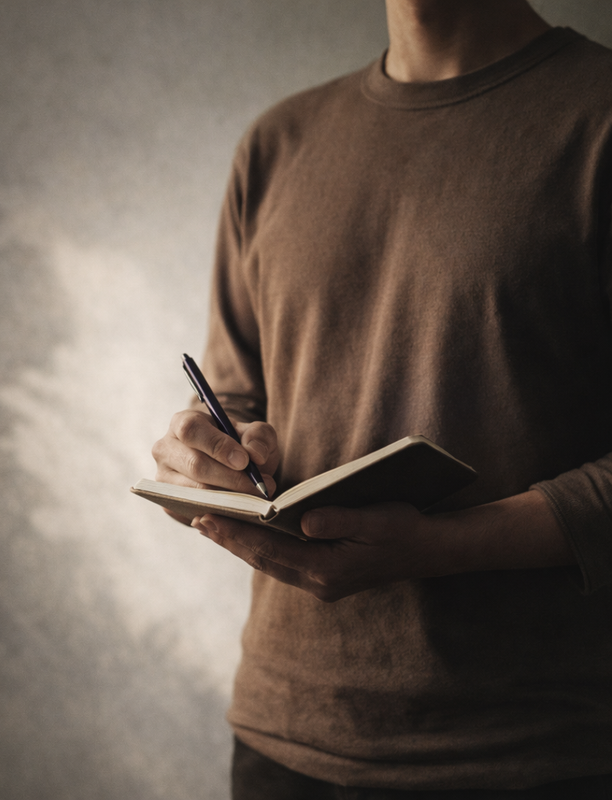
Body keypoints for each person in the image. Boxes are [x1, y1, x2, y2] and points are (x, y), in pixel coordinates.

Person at [151, 1, 612, 796]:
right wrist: (204, 460)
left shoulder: (596, 116)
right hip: (282, 744)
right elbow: (233, 399)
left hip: (538, 752)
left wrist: (448, 546)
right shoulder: (275, 144)